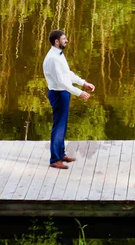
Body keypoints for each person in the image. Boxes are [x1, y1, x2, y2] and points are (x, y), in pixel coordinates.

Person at [43, 30, 95, 169]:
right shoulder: (53, 59)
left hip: (64, 92)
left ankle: (60, 154)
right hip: (59, 93)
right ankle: (54, 159)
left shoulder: (58, 55)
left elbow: (67, 74)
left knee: (63, 125)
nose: (66, 40)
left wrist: (83, 83)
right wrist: (79, 93)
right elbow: (61, 82)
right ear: (56, 41)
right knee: (58, 126)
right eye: (64, 39)